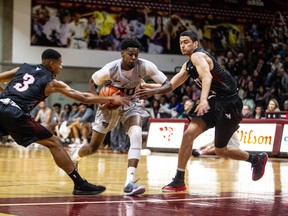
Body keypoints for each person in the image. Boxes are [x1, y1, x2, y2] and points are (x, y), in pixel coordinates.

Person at [135, 30, 268, 192]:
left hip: (229, 102)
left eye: (186, 42)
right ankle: (179, 180)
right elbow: (171, 86)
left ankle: (256, 159)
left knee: (221, 150)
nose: (183, 45)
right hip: (214, 101)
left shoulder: (199, 56)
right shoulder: (188, 65)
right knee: (188, 135)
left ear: (195, 44)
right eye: (181, 43)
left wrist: (203, 99)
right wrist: (149, 87)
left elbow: (207, 77)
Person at [0, 48, 129, 195]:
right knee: (54, 142)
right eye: (60, 64)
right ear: (51, 64)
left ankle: (80, 184)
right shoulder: (52, 82)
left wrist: (4, 95)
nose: (61, 67)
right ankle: (79, 184)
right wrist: (111, 98)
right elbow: (83, 98)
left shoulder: (23, 68)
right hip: (15, 113)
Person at [70, 38, 172, 196]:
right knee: (92, 148)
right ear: (122, 53)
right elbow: (92, 82)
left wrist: (153, 91)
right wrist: (100, 99)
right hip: (109, 106)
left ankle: (129, 182)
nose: (133, 58)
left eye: (136, 55)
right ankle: (76, 156)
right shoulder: (110, 69)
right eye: (130, 54)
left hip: (131, 104)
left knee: (136, 134)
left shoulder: (145, 66)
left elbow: (168, 84)